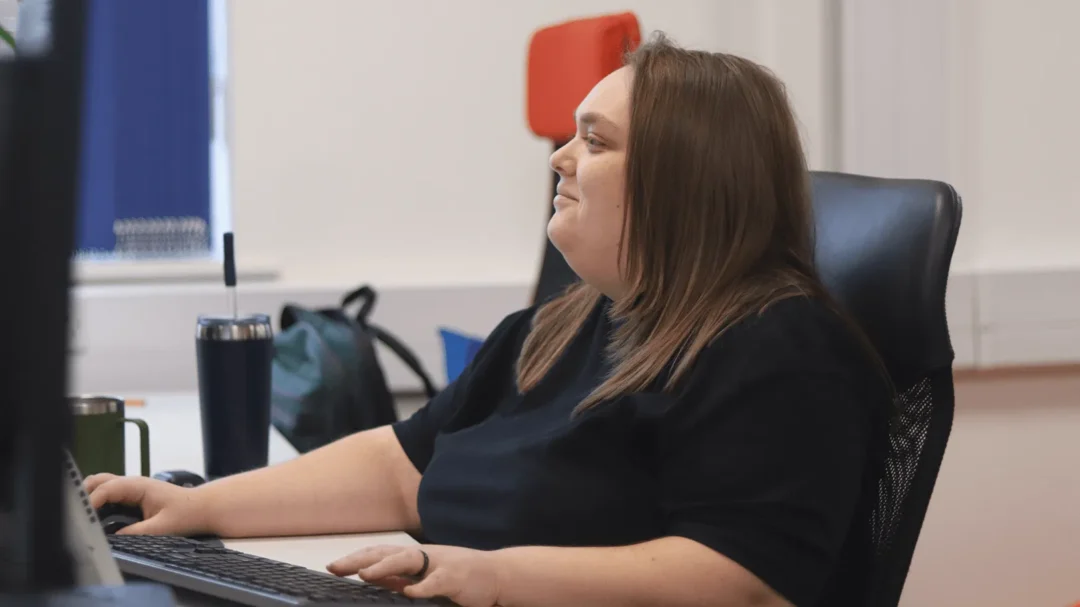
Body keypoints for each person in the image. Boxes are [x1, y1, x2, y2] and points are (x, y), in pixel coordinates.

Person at [87, 34, 891, 607]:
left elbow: (737, 578)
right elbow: (402, 468)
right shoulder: (558, 328)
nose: (559, 158)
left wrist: (494, 574)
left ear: (684, 181)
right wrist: (200, 506)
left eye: (595, 141)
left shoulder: (780, 349)